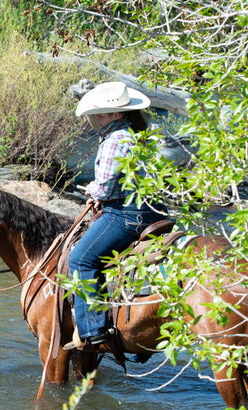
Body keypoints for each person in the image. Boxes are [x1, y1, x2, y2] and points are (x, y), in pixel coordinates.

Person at [65, 81, 167, 352]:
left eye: (104, 111)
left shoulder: (115, 139)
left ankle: (92, 332)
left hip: (126, 214)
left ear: (118, 113)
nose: (97, 116)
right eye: (97, 111)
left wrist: (92, 190)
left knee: (80, 260)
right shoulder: (140, 134)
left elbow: (107, 185)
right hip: (154, 210)